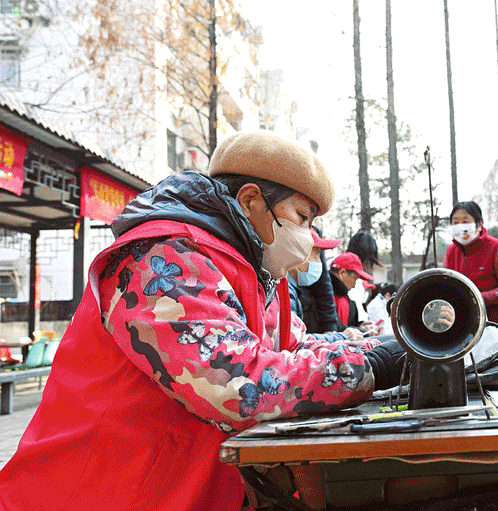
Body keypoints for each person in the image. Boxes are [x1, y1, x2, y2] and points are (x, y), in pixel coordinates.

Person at [0, 131, 406, 510]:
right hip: (93, 491)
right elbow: (238, 384)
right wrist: (370, 368)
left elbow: (293, 348)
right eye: (302, 217)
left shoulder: (247, 269)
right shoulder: (162, 258)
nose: (308, 236)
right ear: (250, 201)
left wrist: (390, 349)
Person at [442, 201, 498, 323]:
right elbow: (444, 285)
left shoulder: (497, 248)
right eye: (455, 222)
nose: (461, 226)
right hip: (460, 323)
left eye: (465, 222)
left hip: (493, 325)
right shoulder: (451, 251)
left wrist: (476, 298)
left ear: (479, 224)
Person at [287, 228, 347, 335]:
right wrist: (341, 337)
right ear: (297, 256)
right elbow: (295, 341)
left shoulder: (293, 290)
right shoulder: (286, 291)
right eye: (316, 256)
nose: (320, 263)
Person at [330, 252, 375, 333]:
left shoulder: (345, 298)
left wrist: (362, 326)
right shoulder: (324, 297)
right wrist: (362, 331)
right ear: (342, 273)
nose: (354, 286)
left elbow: (347, 327)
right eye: (355, 279)